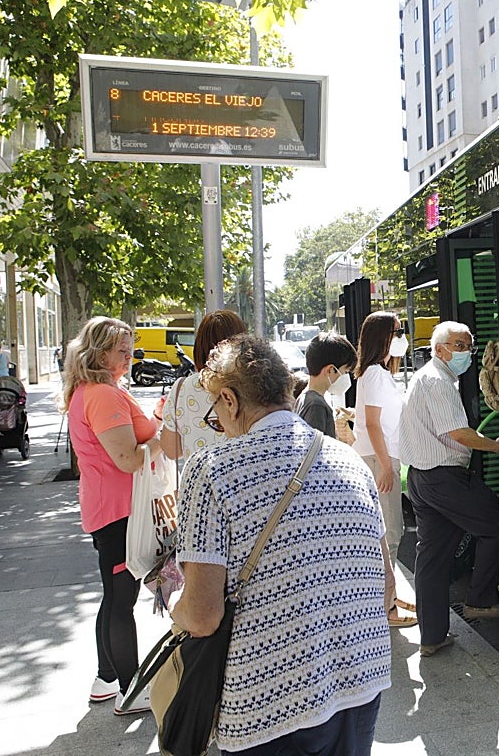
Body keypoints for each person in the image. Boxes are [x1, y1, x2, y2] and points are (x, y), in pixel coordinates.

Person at [173, 335, 391, 756]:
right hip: (361, 681)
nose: (220, 424)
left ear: (230, 400)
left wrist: (174, 609)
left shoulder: (211, 470)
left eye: (216, 414)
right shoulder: (351, 462)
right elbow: (384, 589)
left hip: (267, 705)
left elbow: (201, 616)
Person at [61, 317, 160, 715]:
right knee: (121, 601)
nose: (130, 355)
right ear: (99, 354)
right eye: (122, 350)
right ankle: (129, 689)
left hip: (110, 508)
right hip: (118, 512)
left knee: (115, 597)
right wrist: (162, 440)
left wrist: (156, 423)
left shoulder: (95, 390)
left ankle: (107, 679)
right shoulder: (102, 394)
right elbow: (128, 458)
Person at [399, 320, 499, 657]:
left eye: (468, 346)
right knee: (496, 524)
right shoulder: (437, 382)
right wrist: (496, 446)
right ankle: (481, 600)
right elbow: (458, 433)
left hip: (422, 478)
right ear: (439, 349)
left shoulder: (428, 378)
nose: (466, 353)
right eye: (458, 346)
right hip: (444, 478)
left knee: (432, 559)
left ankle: (432, 636)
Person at [352, 312, 417, 629]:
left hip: (381, 457)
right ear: (383, 337)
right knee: (389, 532)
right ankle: (385, 606)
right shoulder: (376, 375)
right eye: (398, 332)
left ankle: (388, 595)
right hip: (380, 459)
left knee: (388, 532)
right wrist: (387, 466)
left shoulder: (376, 373)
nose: (402, 337)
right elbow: (373, 424)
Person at [160, 310, 247, 463]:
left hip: (198, 476)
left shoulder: (182, 387)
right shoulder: (251, 386)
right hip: (244, 475)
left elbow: (171, 450)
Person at [296, 331, 357, 438]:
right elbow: (317, 446)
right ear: (330, 370)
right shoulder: (316, 406)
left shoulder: (305, 397)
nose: (345, 376)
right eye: (345, 371)